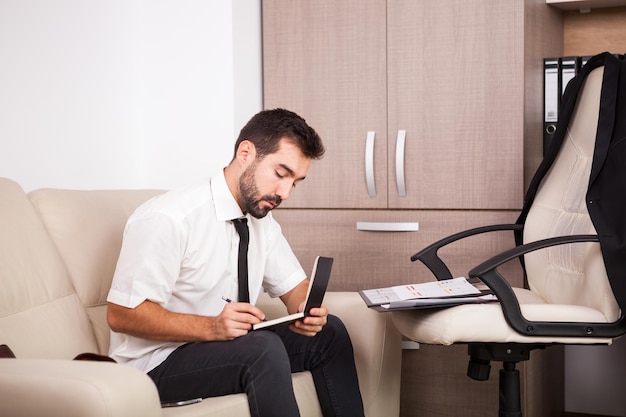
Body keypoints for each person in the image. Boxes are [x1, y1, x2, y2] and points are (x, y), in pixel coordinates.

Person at [106, 108, 365, 417]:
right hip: (156, 364)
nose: (285, 192)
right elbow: (121, 314)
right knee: (262, 350)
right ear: (246, 153)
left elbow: (295, 289)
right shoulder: (169, 218)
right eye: (281, 174)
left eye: (295, 182)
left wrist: (304, 309)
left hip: (226, 347)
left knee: (329, 333)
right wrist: (212, 326)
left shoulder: (260, 220)